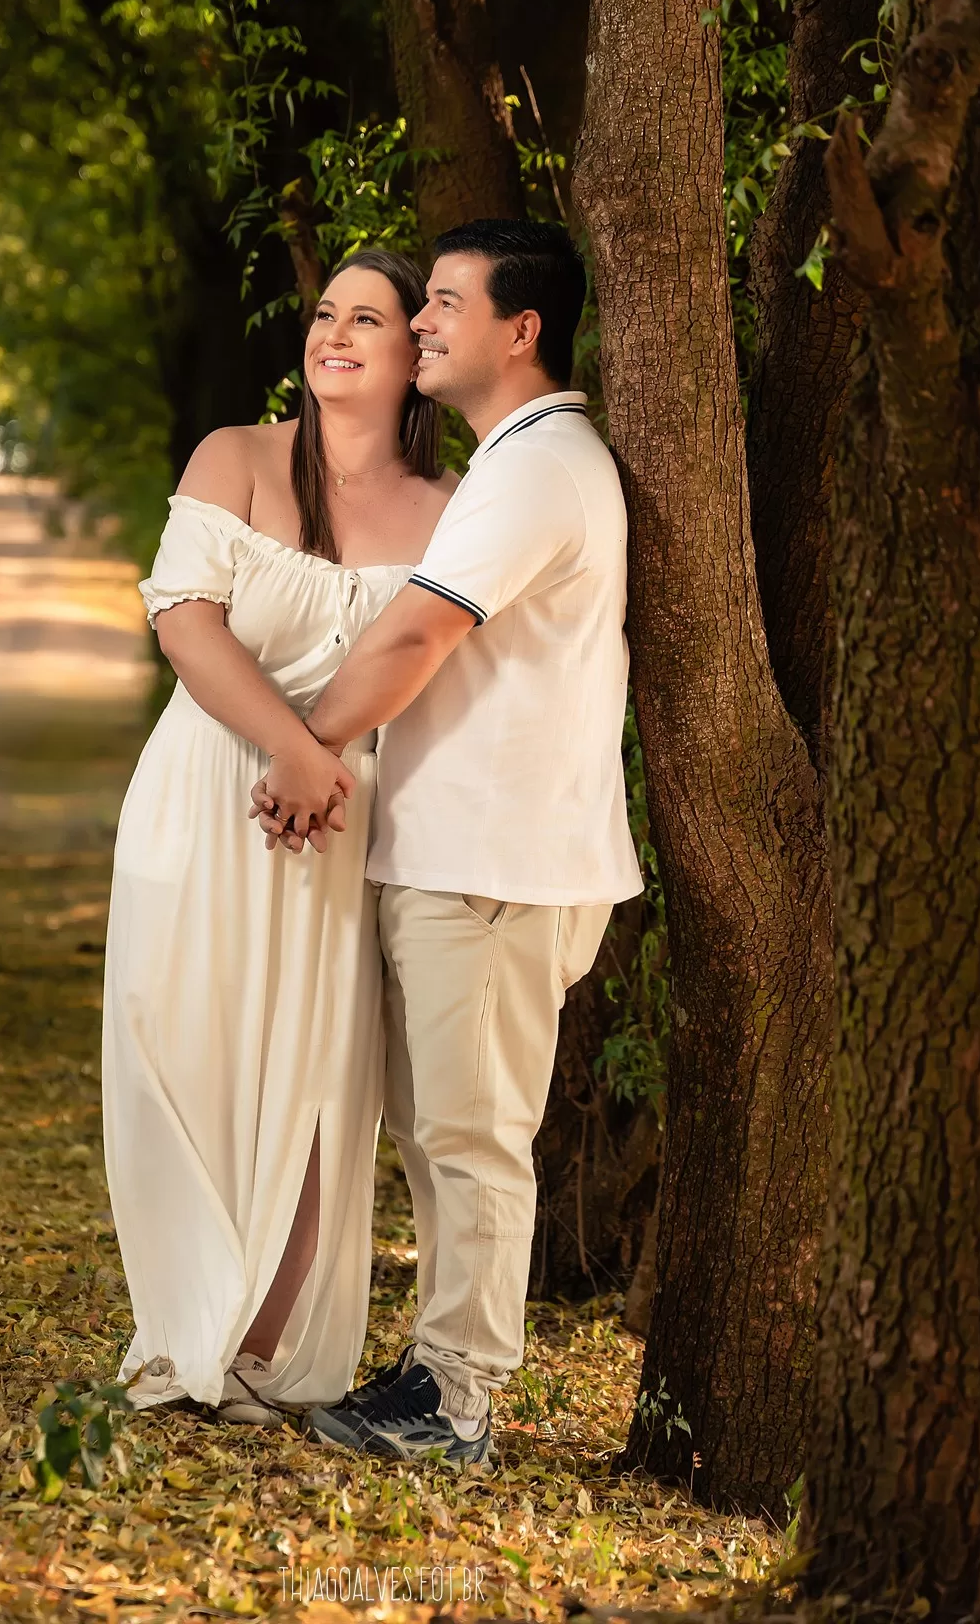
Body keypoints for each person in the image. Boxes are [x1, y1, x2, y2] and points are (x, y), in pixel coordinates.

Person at [253, 219, 643, 1464]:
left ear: (520, 330)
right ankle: (436, 1366)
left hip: (493, 865)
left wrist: (308, 748)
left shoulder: (538, 467)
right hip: (458, 856)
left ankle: (456, 1403)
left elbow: (419, 632)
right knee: (441, 1135)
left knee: (473, 1140)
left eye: (443, 303)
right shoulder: (516, 460)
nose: (417, 322)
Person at [102, 250, 457, 1425]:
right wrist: (293, 750)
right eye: (324, 314)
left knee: (313, 1079)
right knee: (174, 1050)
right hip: (209, 790)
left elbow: (440, 667)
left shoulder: (452, 510)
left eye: (367, 319)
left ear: (416, 354)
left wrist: (322, 766)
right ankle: (179, 1331)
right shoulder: (236, 457)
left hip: (338, 824)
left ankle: (252, 1350)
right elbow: (186, 625)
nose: (333, 334)